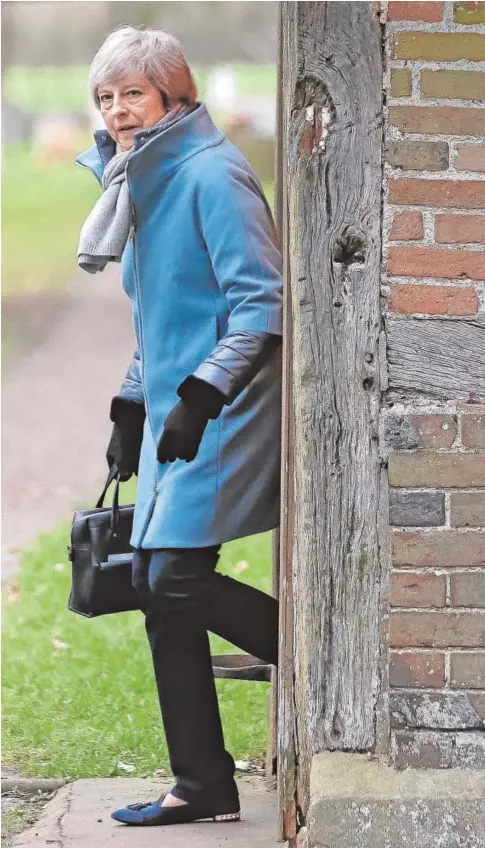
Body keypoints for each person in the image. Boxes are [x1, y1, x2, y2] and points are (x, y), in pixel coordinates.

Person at [76, 25, 282, 827]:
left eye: (133, 92)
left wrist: (200, 397)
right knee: (157, 592)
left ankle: (319, 656)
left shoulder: (212, 174)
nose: (119, 111)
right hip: (173, 413)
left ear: (174, 94)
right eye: (105, 96)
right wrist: (134, 404)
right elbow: (162, 316)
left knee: (172, 580)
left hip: (224, 409)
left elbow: (258, 302)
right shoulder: (144, 184)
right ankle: (200, 784)